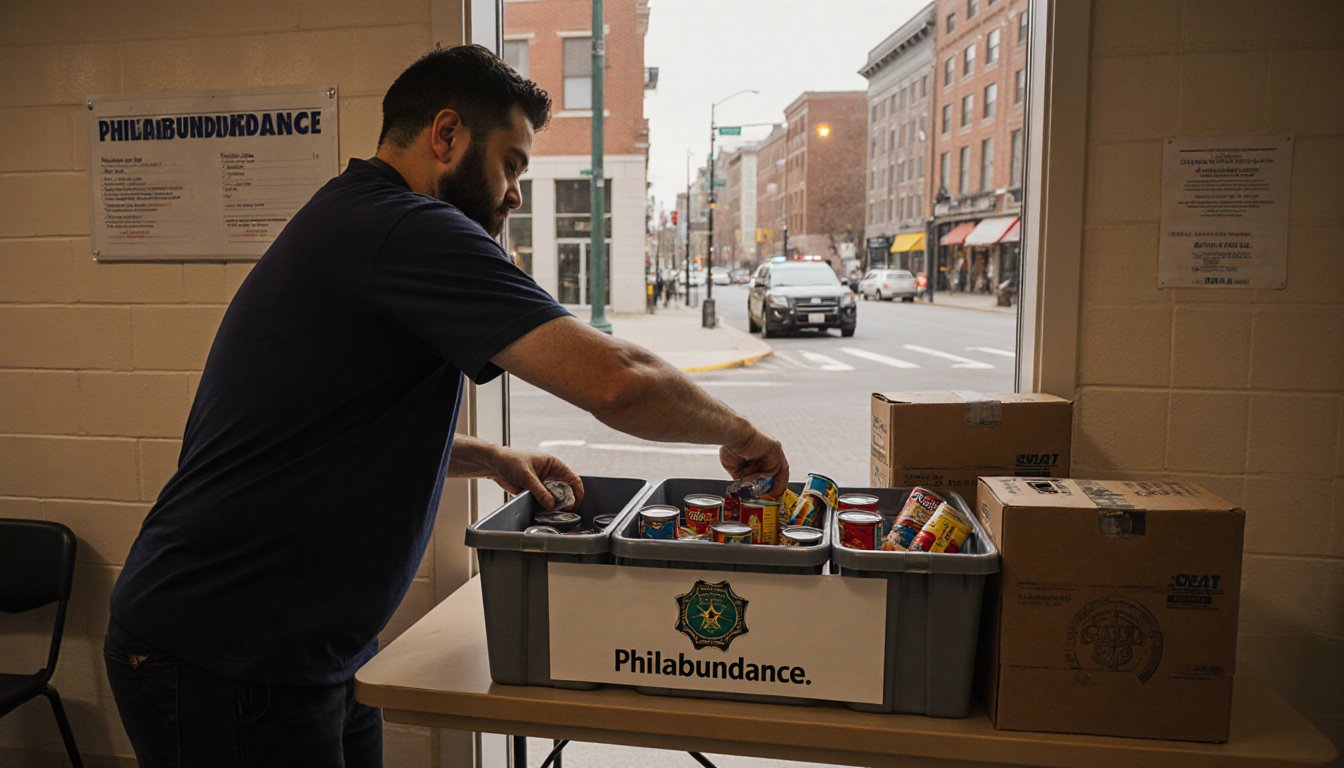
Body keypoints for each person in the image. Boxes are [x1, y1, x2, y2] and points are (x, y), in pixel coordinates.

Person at [104, 45, 788, 768]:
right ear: (447, 136)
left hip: (303, 647)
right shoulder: (408, 229)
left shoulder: (357, 217)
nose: (516, 193)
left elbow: (325, 428)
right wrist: (741, 431)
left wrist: (489, 456)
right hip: (226, 652)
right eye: (513, 163)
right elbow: (616, 379)